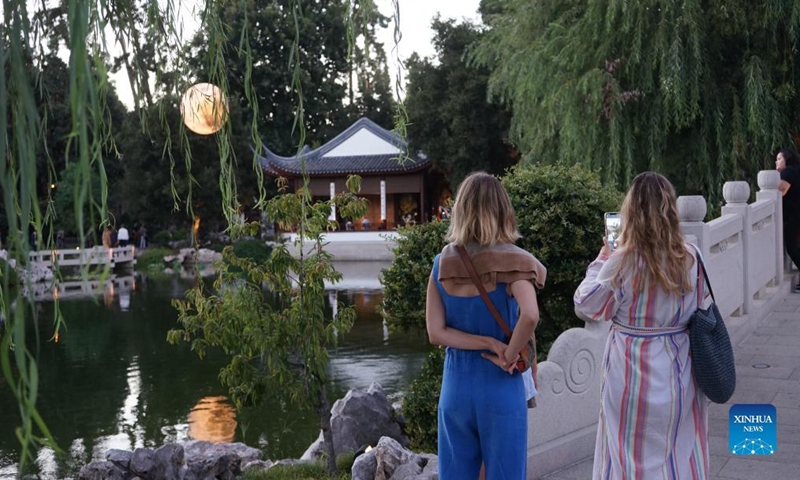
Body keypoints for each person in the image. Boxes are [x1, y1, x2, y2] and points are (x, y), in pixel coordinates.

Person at [574, 172, 710, 479]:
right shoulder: (691, 256)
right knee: (677, 450)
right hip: (680, 368)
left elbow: (587, 305)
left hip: (629, 370)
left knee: (625, 454)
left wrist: (602, 258)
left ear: (630, 213)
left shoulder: (621, 261)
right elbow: (703, 304)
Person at [426, 172, 546, 480]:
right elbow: (530, 315)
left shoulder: (443, 263)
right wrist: (506, 352)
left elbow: (435, 332)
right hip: (500, 383)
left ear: (461, 210)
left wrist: (483, 342)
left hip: (456, 384)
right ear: (503, 210)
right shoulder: (515, 262)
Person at [777, 149, 800, 290]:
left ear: (787, 160)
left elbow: (779, 194)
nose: (776, 161)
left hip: (795, 216)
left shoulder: (787, 173)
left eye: (779, 159)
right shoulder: (794, 171)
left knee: (791, 247)